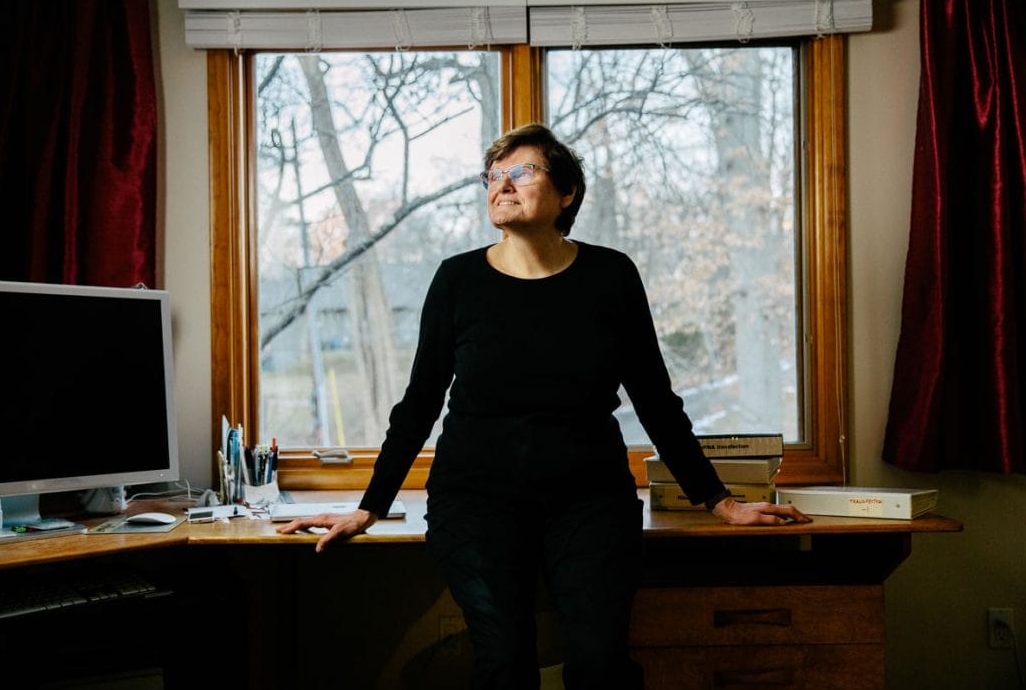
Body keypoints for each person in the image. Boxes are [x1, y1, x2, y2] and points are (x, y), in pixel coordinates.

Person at [276, 123, 811, 688]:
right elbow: (419, 403)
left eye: (521, 171)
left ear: (567, 193)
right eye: (493, 176)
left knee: (600, 664)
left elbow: (656, 401)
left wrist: (720, 502)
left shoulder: (612, 276)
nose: (501, 185)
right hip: (476, 501)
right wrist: (370, 505)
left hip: (589, 501)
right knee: (504, 663)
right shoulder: (457, 280)